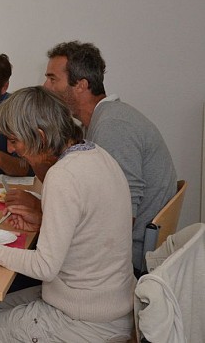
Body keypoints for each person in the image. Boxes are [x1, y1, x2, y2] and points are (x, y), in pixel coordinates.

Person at [0, 87, 135, 342]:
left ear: (40, 137)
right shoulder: (96, 153)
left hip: (87, 319)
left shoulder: (63, 175)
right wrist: (44, 220)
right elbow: (87, 227)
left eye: (14, 140)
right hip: (112, 301)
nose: (10, 149)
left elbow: (44, 267)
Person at [42, 41, 177, 274]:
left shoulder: (113, 126)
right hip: (119, 251)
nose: (45, 86)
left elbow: (123, 216)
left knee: (37, 253)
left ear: (81, 85)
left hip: (125, 262)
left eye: (53, 79)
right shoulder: (100, 121)